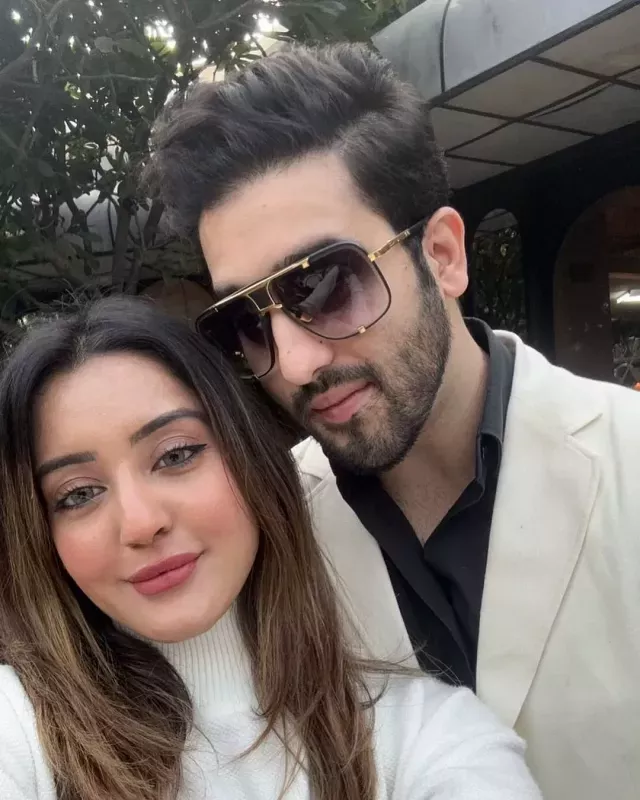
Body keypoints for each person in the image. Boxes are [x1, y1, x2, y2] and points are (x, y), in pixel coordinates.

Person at [142, 42, 640, 800]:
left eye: (325, 284)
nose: (294, 362)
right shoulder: (266, 534)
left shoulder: (628, 463)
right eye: (247, 319)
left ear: (442, 255)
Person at [0, 297, 540, 800]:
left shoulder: (424, 733)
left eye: (176, 455)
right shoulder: (19, 729)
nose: (141, 523)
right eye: (78, 494)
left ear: (251, 458)